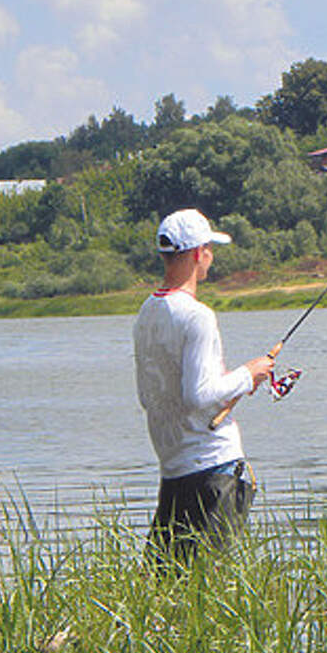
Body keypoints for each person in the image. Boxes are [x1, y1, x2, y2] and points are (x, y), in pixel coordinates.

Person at [133, 208, 274, 565]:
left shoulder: (147, 312)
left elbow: (148, 397)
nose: (210, 257)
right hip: (214, 470)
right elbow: (198, 394)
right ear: (199, 253)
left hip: (174, 468)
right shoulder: (197, 316)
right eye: (209, 249)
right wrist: (249, 374)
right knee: (201, 588)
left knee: (164, 586)